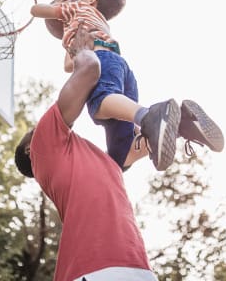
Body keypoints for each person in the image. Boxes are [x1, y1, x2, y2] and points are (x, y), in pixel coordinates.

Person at [15, 24, 159, 281]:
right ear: (30, 148)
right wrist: (81, 51)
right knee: (100, 103)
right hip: (92, 270)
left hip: (135, 268)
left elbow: (133, 151)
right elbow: (90, 71)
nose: (36, 128)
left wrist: (173, 126)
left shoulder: (97, 160)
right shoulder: (41, 146)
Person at [30, 0, 224, 172]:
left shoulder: (76, 7)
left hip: (102, 60)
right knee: (120, 157)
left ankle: (149, 116)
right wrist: (67, 33)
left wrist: (48, 10)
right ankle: (184, 124)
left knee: (99, 102)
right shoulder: (98, 22)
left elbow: (37, 10)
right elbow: (68, 65)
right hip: (120, 67)